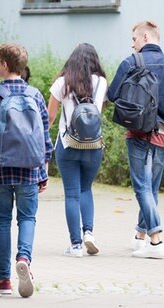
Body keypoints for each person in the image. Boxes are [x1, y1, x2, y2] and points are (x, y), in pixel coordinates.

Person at [0, 43, 52, 298]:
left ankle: (3, 279)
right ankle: (24, 258)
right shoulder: (36, 95)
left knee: (2, 221)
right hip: (30, 169)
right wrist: (44, 169)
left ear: (5, 65)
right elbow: (45, 138)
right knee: (27, 218)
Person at [108, 20, 164, 259]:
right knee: (150, 187)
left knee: (141, 186)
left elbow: (112, 94)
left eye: (134, 39)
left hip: (138, 132)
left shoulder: (131, 62)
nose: (132, 44)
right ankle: (139, 236)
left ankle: (156, 240)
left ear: (144, 37)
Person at [48, 43, 108, 258]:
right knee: (86, 189)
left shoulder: (61, 83)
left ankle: (75, 245)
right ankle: (89, 233)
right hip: (94, 145)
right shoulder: (101, 82)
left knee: (72, 193)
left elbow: (51, 117)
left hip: (68, 144)